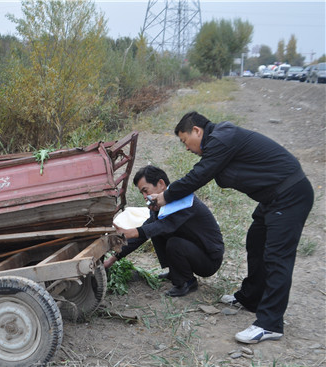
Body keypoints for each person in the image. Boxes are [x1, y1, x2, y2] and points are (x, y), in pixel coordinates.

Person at [149, 111, 314, 344]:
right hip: (273, 198)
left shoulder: (222, 137)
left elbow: (200, 175)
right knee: (255, 241)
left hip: (290, 195)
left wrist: (166, 196)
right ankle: (250, 298)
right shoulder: (221, 141)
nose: (186, 148)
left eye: (185, 141)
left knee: (277, 257)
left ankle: (270, 324)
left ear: (197, 131)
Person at [104, 165, 224, 297]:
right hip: (192, 248)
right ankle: (176, 271)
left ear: (161, 184)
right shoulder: (159, 205)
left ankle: (186, 281)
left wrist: (132, 231)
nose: (145, 196)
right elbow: (144, 234)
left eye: (146, 190)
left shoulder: (183, 201)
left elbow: (164, 225)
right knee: (155, 232)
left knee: (173, 242)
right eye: (142, 193)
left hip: (208, 260)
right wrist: (113, 259)